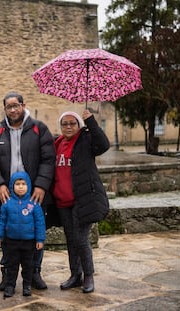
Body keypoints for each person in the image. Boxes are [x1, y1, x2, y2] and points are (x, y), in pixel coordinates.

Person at [0, 91, 55, 291]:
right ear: (4, 109)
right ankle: (7, 275)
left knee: (35, 235)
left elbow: (49, 159)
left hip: (34, 195)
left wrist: (41, 185)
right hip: (7, 196)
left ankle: (35, 273)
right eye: (9, 107)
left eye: (16, 105)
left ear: (23, 105)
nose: (13, 110)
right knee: (7, 236)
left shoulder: (39, 129)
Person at [52, 110, 110, 294]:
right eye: (65, 124)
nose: (68, 127)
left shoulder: (85, 140)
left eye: (72, 123)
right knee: (71, 239)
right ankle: (74, 275)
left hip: (82, 198)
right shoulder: (58, 143)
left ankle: (88, 275)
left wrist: (90, 121)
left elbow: (103, 145)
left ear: (78, 125)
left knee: (81, 239)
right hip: (62, 200)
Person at [0, 171, 46, 298]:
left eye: (23, 184)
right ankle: (10, 285)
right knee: (12, 265)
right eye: (17, 184)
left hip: (29, 241)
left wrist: (40, 239)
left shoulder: (34, 204)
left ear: (28, 185)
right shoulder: (7, 204)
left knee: (28, 265)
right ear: (12, 186)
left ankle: (27, 285)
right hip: (12, 241)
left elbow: (40, 222)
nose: (21, 186)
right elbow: (2, 221)